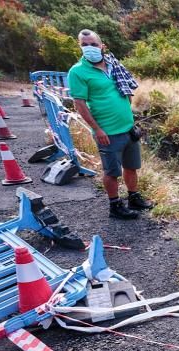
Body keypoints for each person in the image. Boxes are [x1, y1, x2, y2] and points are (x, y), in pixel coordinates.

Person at [67, 29, 153, 219]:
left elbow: (125, 87)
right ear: (80, 47)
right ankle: (115, 206)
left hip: (128, 127)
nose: (89, 48)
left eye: (93, 44)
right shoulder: (78, 72)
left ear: (102, 46)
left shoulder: (113, 64)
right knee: (111, 171)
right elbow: (79, 103)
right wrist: (97, 129)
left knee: (131, 166)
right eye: (84, 44)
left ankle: (133, 197)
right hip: (107, 131)